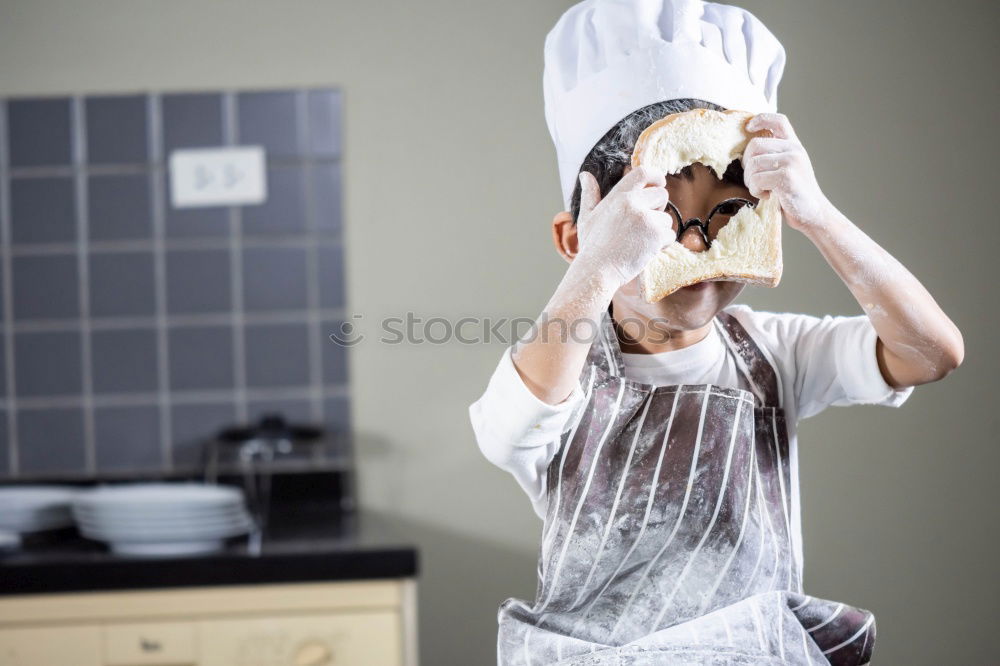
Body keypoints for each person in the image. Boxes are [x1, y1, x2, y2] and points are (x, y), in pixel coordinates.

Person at [468, 0, 965, 664]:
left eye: (729, 213)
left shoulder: (773, 354)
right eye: (661, 216)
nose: (698, 242)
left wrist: (816, 214)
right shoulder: (561, 370)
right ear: (574, 239)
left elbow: (932, 352)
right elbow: (507, 431)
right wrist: (601, 266)